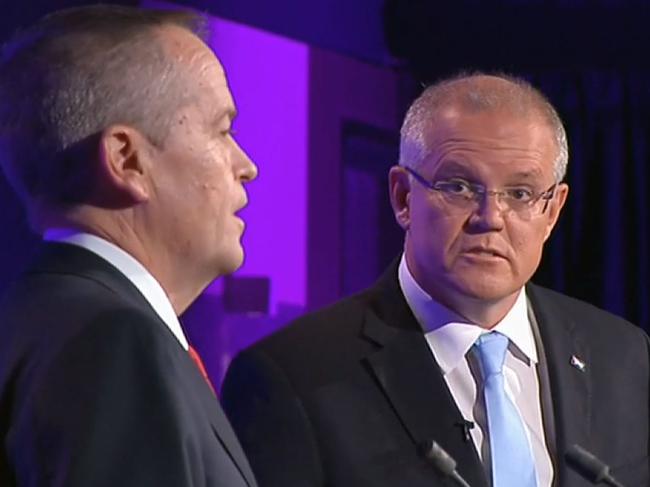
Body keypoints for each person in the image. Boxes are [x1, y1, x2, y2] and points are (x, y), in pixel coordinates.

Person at [221, 74, 649, 487]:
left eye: (520, 194)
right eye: (460, 187)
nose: (489, 219)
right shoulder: (294, 377)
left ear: (552, 212)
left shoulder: (623, 357)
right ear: (403, 197)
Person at [0, 5, 258, 486]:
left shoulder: (37, 319)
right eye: (222, 130)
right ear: (127, 159)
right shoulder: (114, 341)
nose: (245, 165)